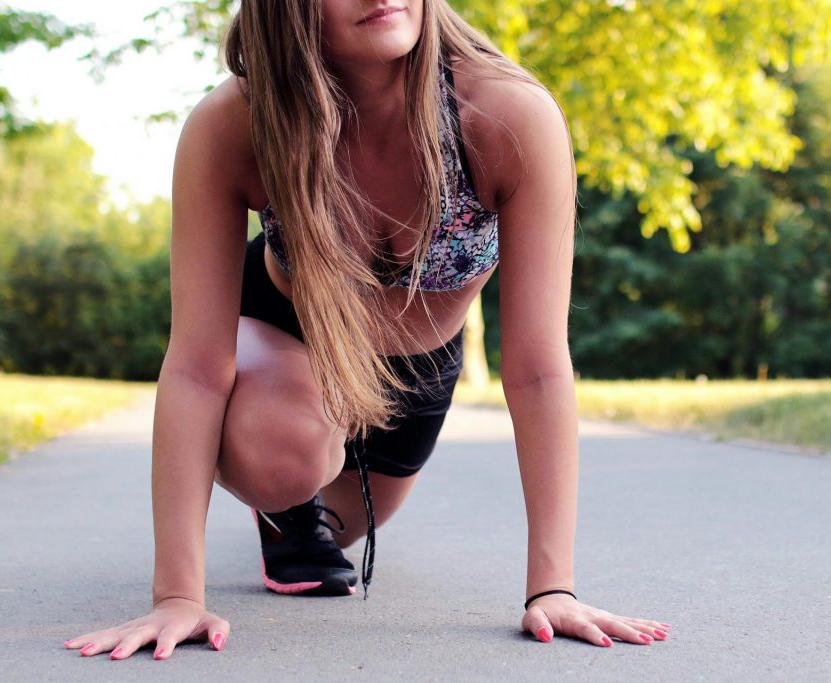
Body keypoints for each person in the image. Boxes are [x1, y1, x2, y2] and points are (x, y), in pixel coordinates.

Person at [63, 0, 669, 660]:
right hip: (287, 331)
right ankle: (284, 493)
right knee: (286, 456)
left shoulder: (507, 116)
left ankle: (291, 517)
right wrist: (177, 595)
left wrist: (552, 588)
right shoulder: (236, 122)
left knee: (343, 527)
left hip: (416, 365)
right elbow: (195, 367)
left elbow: (538, 366)